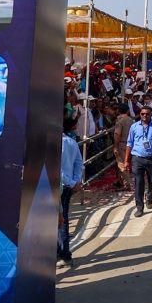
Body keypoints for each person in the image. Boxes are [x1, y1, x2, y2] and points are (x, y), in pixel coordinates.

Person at [125, 106, 152, 217]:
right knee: (139, 183)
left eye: (147, 114)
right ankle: (139, 207)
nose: (144, 116)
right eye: (142, 114)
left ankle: (149, 197)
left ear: (151, 114)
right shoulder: (134, 127)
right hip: (137, 158)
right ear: (140, 114)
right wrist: (126, 160)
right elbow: (129, 144)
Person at [58, 116, 84, 271]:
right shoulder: (71, 142)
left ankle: (64, 255)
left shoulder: (58, 143)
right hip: (67, 186)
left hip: (58, 186)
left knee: (60, 221)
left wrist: (73, 182)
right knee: (62, 220)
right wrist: (75, 181)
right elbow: (79, 163)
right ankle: (62, 253)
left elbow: (55, 170)